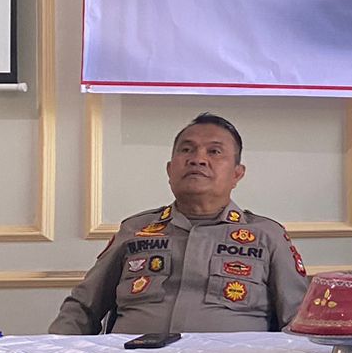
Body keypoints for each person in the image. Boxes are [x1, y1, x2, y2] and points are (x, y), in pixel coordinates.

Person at [51, 113, 309, 334]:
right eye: (187, 150)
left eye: (214, 152)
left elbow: (299, 320)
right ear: (169, 169)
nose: (198, 159)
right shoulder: (135, 230)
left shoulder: (267, 236)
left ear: (237, 174)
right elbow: (82, 308)